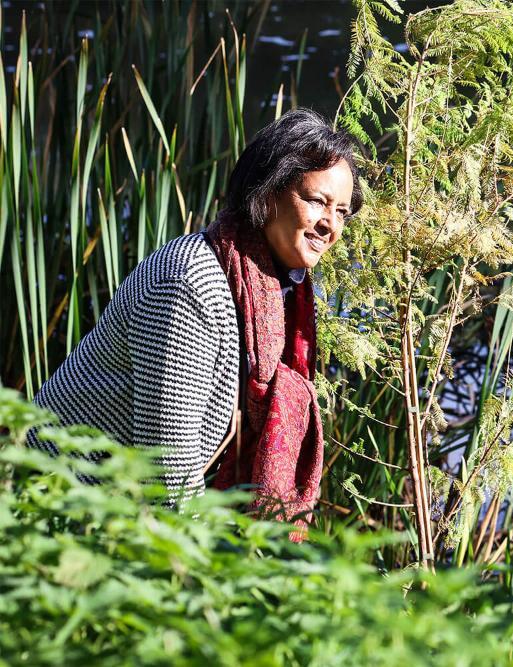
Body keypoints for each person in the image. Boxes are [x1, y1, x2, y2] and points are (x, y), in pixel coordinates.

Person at [31, 108, 361, 529]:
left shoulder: (280, 290)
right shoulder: (192, 284)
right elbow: (167, 472)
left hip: (120, 509)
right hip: (57, 503)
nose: (329, 225)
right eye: (316, 201)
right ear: (268, 192)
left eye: (342, 211)